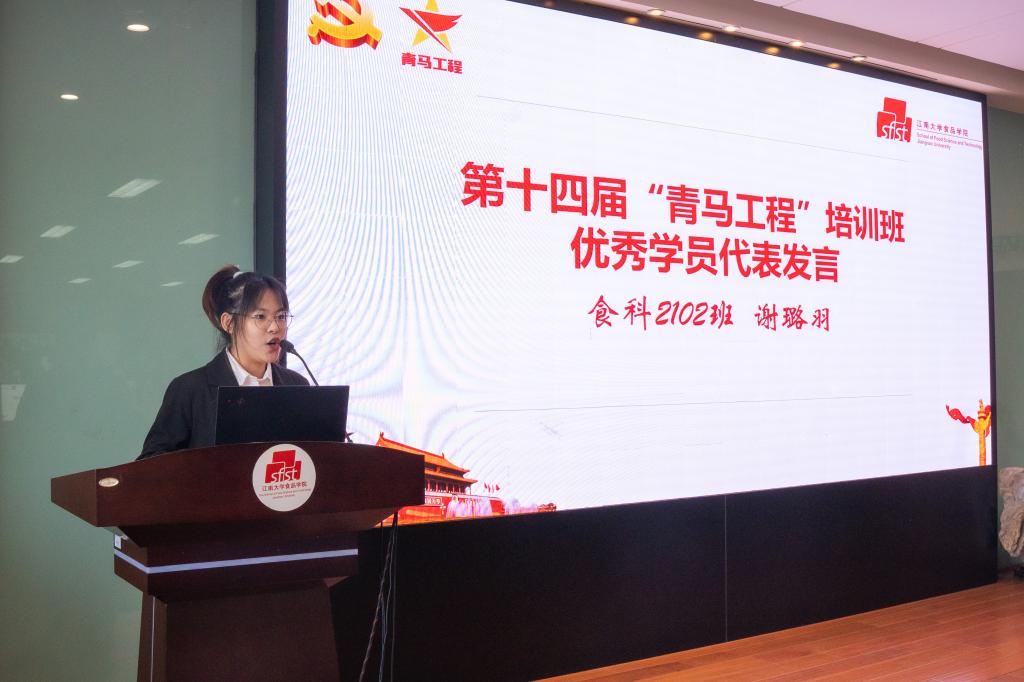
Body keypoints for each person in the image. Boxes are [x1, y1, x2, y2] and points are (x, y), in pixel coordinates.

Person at [138, 265, 309, 458]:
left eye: (281, 316)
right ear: (228, 323)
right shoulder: (191, 390)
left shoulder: (297, 385)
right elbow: (151, 461)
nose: (275, 327)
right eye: (260, 317)